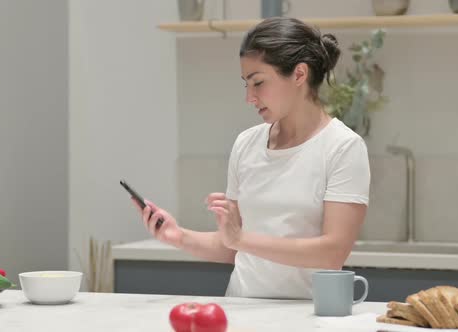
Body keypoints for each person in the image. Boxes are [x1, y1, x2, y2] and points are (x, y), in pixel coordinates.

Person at [131, 17, 370, 299]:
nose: (250, 97)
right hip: (241, 311)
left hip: (307, 318)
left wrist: (241, 238)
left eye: (258, 83)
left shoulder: (343, 147)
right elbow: (232, 245)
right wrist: (178, 236)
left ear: (299, 75)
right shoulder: (247, 144)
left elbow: (331, 254)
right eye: (246, 84)